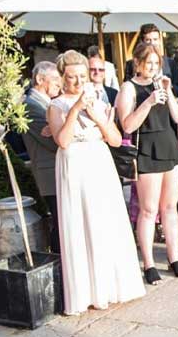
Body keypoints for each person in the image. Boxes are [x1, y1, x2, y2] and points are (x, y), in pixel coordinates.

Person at [47, 50, 145, 315]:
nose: (78, 82)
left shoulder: (99, 100)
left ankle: (110, 286)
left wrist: (97, 114)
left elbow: (115, 139)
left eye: (82, 75)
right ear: (62, 78)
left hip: (99, 162)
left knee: (103, 222)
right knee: (80, 224)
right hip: (74, 163)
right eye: (71, 77)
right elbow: (63, 140)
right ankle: (86, 292)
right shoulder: (55, 106)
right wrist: (76, 108)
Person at [117, 41, 178, 284]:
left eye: (157, 63)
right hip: (146, 149)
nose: (154, 67)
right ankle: (148, 263)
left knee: (170, 207)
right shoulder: (129, 88)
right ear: (137, 63)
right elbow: (127, 125)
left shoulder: (162, 85)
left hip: (168, 145)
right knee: (148, 210)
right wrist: (148, 101)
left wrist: (168, 95)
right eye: (149, 63)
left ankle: (174, 258)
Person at [21, 61, 62, 253]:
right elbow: (55, 142)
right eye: (54, 79)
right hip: (49, 173)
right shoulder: (31, 106)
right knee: (60, 222)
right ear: (39, 79)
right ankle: (58, 266)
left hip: (57, 169)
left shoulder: (46, 104)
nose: (59, 84)